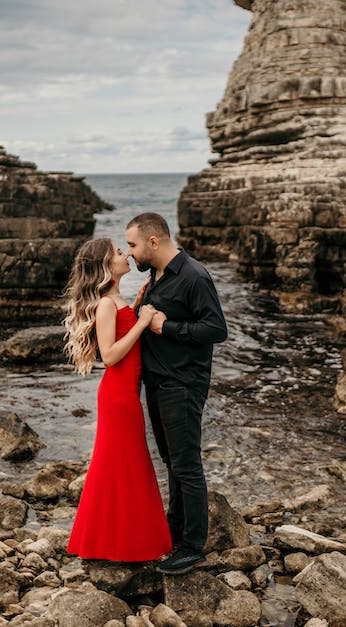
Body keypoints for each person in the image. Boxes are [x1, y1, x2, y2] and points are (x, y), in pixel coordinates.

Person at [125, 213, 228, 575]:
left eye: (133, 245)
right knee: (172, 463)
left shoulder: (194, 276)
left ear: (154, 242)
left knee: (187, 465)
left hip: (182, 384)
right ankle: (175, 531)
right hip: (159, 383)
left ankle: (192, 547)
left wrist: (165, 325)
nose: (130, 253)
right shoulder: (156, 275)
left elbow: (216, 329)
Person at [63, 238, 172, 561]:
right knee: (121, 466)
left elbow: (123, 334)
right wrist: (141, 322)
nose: (126, 255)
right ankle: (114, 543)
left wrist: (136, 307)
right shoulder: (106, 304)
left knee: (124, 466)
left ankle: (118, 541)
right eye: (119, 253)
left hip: (125, 394)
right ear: (106, 266)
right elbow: (110, 355)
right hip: (118, 396)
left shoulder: (115, 298)